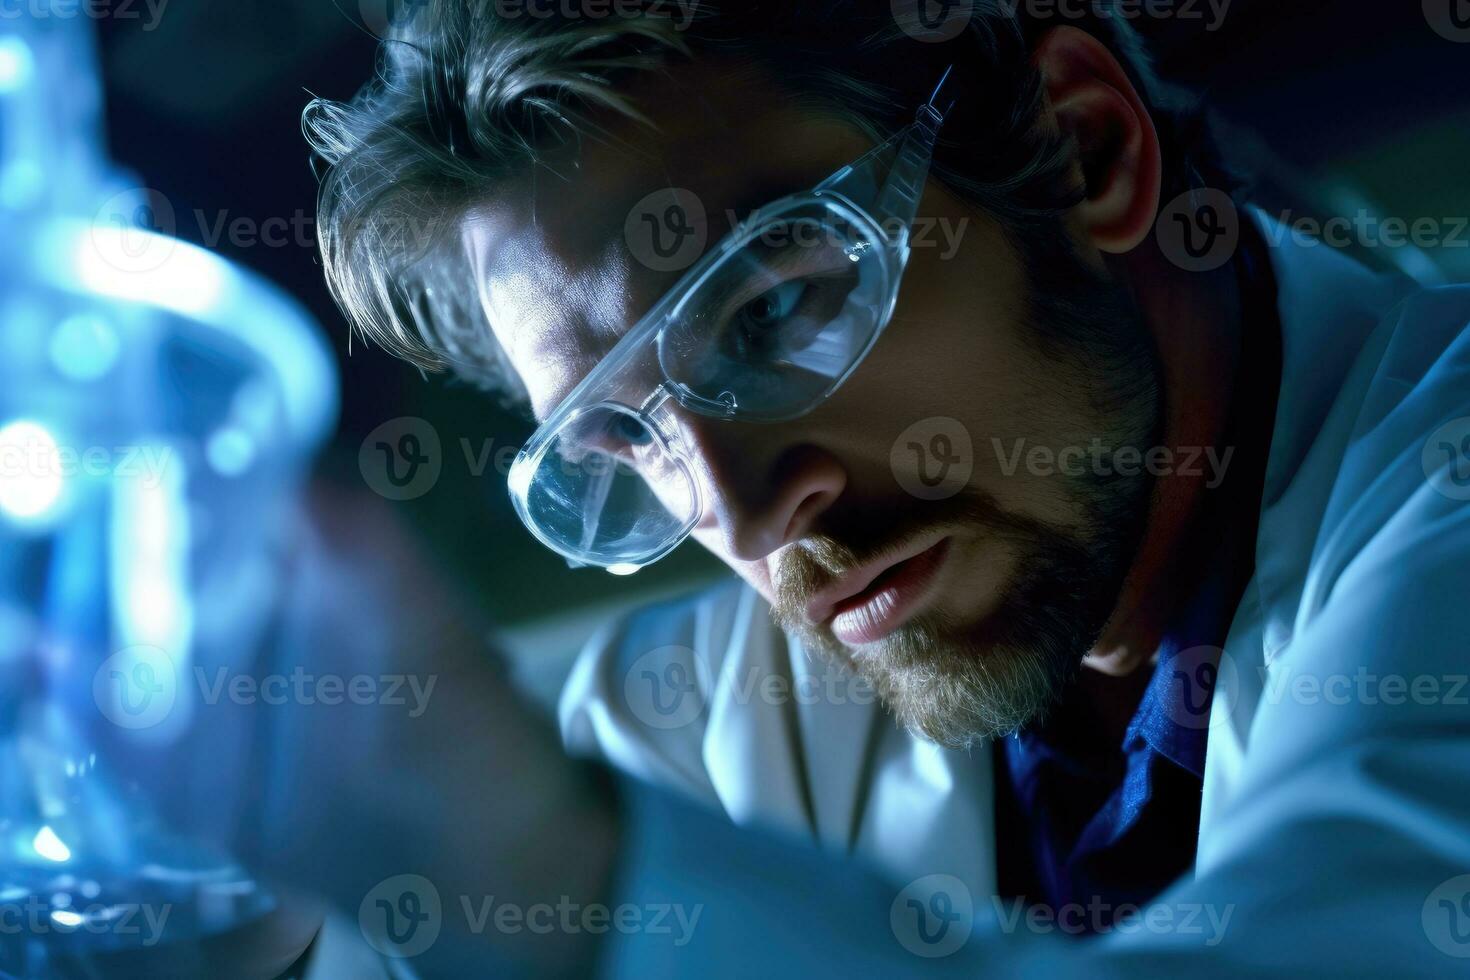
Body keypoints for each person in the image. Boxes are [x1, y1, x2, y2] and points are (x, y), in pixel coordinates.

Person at [303, 2, 1470, 971]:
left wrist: (552, 864)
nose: (751, 514)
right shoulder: (684, 729)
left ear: (1083, 147)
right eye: (629, 439)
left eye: (769, 309)